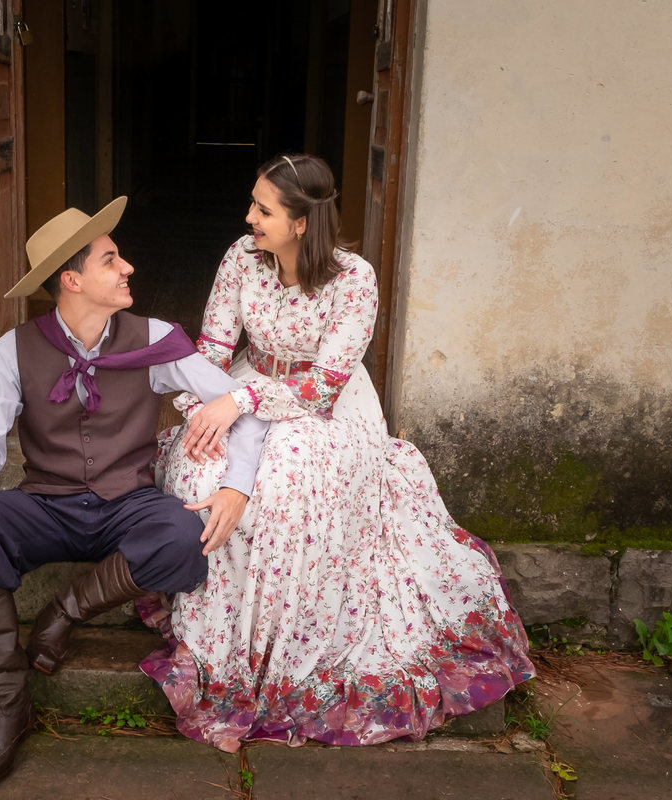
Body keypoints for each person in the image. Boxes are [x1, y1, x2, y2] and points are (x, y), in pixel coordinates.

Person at [139, 154, 534, 752]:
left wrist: (241, 398)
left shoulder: (354, 278)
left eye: (262, 210)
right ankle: (225, 638)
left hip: (325, 405)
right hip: (244, 385)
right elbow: (215, 344)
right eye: (252, 204)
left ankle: (284, 653)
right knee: (203, 463)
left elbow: (325, 385)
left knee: (290, 483)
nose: (248, 217)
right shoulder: (241, 258)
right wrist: (203, 401)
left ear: (301, 223)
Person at [0, 196, 268, 783]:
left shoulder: (154, 338)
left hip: (128, 505)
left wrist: (236, 487)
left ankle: (64, 612)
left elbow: (238, 407)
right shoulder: (14, 349)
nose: (127, 268)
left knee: (185, 533)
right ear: (72, 279)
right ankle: (10, 703)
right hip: (48, 504)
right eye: (111, 260)